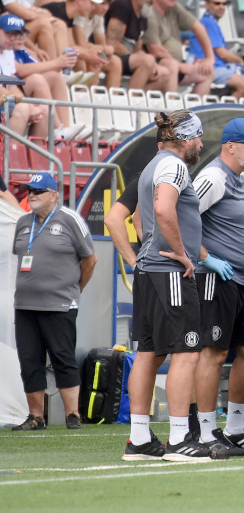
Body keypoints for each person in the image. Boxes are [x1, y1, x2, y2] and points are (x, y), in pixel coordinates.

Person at [123, 110, 210, 461]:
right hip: (169, 270)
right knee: (187, 351)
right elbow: (162, 210)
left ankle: (140, 439)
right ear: (187, 139)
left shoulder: (152, 165)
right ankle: (178, 439)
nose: (201, 144)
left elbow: (137, 216)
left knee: (148, 353)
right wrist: (181, 253)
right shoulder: (174, 165)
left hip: (148, 269)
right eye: (199, 138)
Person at [190, 119, 244, 457]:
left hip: (240, 279)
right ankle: (207, 431)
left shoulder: (240, 175)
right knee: (214, 352)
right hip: (216, 278)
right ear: (229, 146)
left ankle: (235, 428)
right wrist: (206, 258)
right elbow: (179, 219)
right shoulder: (212, 176)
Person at [11, 172, 96, 432]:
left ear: (54, 195)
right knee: (30, 361)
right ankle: (36, 417)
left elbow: (90, 260)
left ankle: (73, 415)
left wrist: (73, 289)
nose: (32, 195)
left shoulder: (70, 220)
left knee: (63, 358)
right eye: (29, 191)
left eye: (38, 191)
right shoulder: (23, 221)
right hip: (25, 305)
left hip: (59, 304)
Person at [0, 14, 86, 141]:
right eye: (8, 33)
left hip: (7, 98)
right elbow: (13, 79)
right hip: (4, 98)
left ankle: (54, 142)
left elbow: (12, 84)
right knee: (24, 107)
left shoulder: (8, 51)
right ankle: (10, 158)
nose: (13, 38)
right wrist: (26, 105)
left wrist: (30, 105)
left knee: (44, 110)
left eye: (17, 34)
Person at [186, 0, 244, 100]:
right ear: (207, 5)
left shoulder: (213, 22)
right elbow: (222, 54)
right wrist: (240, 60)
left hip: (222, 68)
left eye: (224, 4)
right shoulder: (208, 22)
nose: (221, 6)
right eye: (217, 3)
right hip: (208, 68)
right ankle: (225, 113)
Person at [143, 0, 215, 94]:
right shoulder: (149, 13)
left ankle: (196, 107)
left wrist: (209, 57)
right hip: (156, 65)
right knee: (172, 65)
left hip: (178, 64)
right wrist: (180, 65)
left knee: (207, 72)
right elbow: (155, 49)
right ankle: (171, 106)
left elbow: (199, 28)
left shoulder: (173, 7)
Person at [104, 0, 169, 92]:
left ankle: (131, 99)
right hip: (110, 55)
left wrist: (153, 64)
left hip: (128, 58)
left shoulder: (143, 16)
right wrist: (141, 58)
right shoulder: (122, 6)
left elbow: (137, 49)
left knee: (164, 73)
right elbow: (112, 44)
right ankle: (129, 102)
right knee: (147, 61)